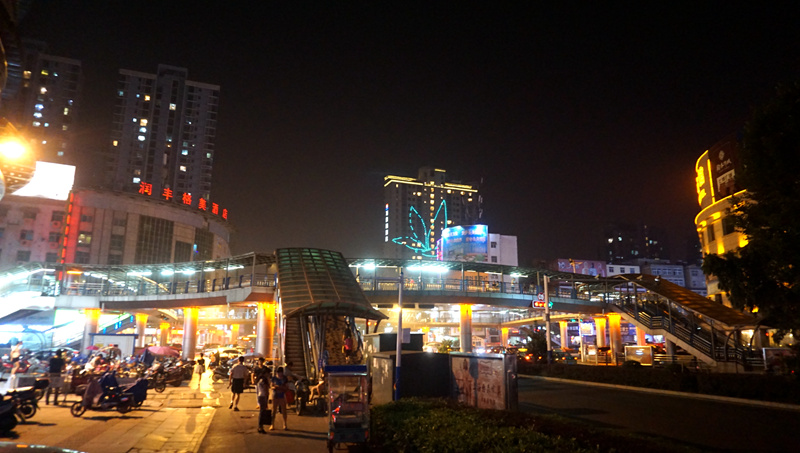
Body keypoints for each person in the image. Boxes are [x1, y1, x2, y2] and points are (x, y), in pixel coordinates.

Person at [255, 368, 272, 434]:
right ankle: (260, 427)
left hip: (260, 396)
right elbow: (266, 390)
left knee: (262, 412)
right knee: (262, 412)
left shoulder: (259, 380)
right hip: (263, 397)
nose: (269, 375)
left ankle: (260, 426)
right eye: (268, 373)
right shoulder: (264, 380)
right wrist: (268, 398)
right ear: (266, 373)